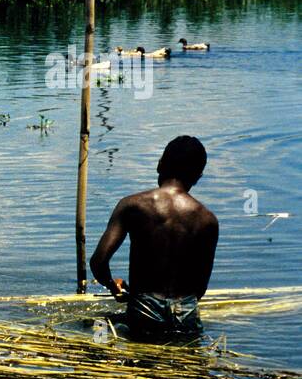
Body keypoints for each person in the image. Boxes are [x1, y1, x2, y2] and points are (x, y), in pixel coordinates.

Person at [90, 136, 219, 341]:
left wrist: (113, 286)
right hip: (185, 313)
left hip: (144, 309)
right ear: (198, 176)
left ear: (159, 164)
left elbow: (99, 261)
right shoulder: (207, 220)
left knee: (100, 330)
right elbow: (200, 289)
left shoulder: (133, 205)